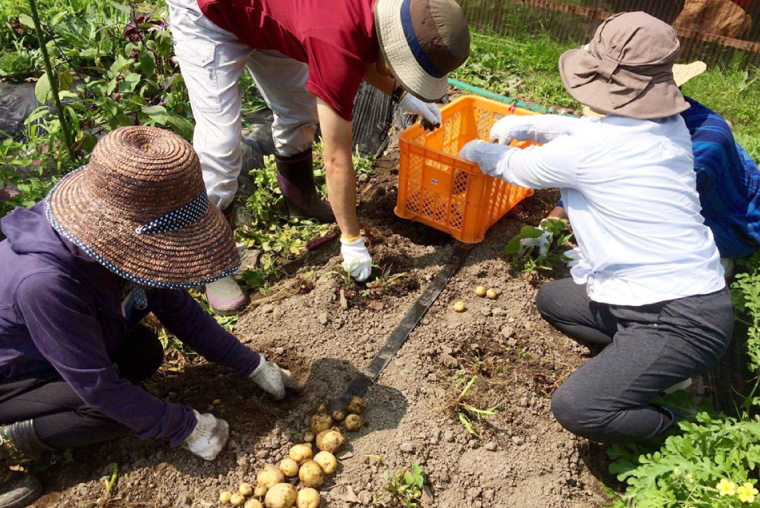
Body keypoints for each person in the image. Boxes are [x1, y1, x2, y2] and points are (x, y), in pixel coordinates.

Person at [458, 12, 734, 443]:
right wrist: (529, 123)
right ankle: (644, 360)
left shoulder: (591, 152)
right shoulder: (668, 125)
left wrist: (475, 150)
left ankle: (681, 425)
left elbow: (515, 165)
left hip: (683, 319)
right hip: (666, 298)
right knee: (552, 299)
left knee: (578, 407)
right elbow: (590, 130)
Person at [0, 127, 299, 508]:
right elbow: (99, 388)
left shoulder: (118, 247)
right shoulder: (45, 284)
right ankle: (6, 444)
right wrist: (185, 427)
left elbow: (180, 312)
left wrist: (252, 364)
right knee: (109, 413)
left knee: (143, 351)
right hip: (8, 377)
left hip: (49, 348)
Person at [166, 0, 471, 314]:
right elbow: (337, 158)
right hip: (209, 15)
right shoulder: (333, 37)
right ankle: (211, 261)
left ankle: (299, 199)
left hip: (265, 15)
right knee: (221, 146)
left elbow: (363, 45)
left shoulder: (379, 14)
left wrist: (401, 94)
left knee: (298, 111)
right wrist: (351, 239)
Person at [513, 61, 760, 268]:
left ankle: (717, 261)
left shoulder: (700, 149)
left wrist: (600, 253)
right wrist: (552, 222)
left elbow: (643, 211)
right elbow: (599, 167)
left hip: (733, 224)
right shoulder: (654, 125)